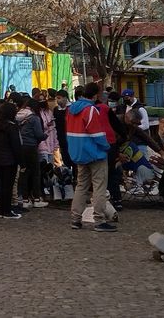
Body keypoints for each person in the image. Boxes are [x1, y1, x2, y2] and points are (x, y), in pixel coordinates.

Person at [67, 82, 116, 232]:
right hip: (95, 153)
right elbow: (97, 134)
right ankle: (99, 220)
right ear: (95, 95)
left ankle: (75, 219)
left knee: (81, 186)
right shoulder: (91, 110)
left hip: (79, 153)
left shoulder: (71, 110)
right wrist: (107, 146)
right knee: (99, 187)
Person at [0, 102, 23, 219]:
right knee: (8, 185)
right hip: (9, 159)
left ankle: (2, 210)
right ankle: (6, 210)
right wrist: (21, 161)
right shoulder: (11, 127)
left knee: (2, 184)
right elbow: (16, 145)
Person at [16, 97, 47, 208]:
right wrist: (45, 135)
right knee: (35, 173)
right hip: (31, 146)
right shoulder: (34, 118)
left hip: (21, 146)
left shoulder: (19, 115)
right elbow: (39, 134)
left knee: (24, 172)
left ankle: (25, 199)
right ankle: (37, 198)